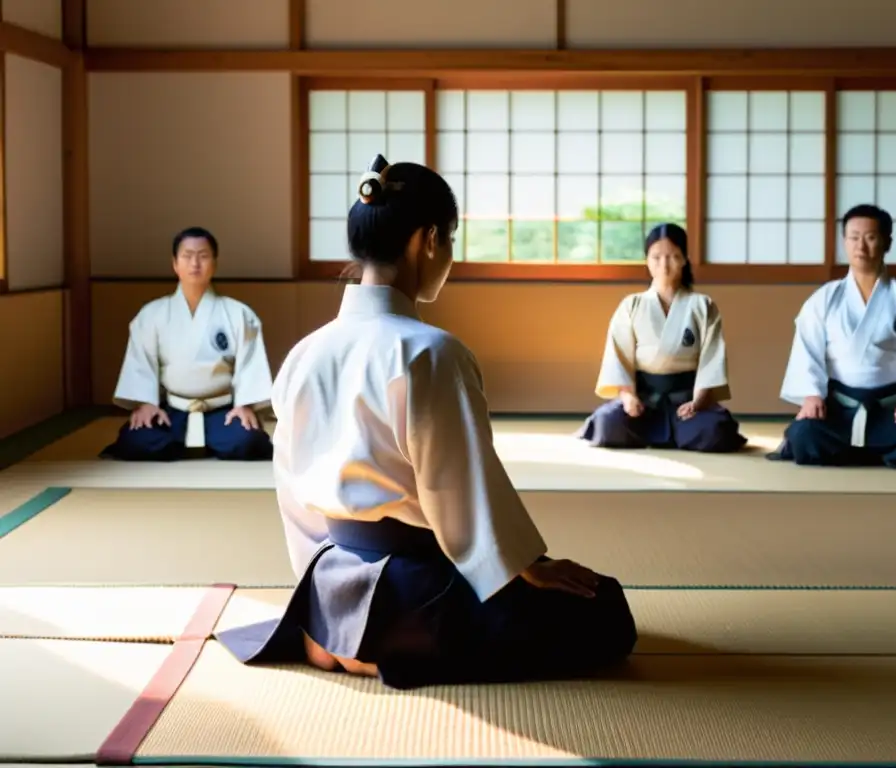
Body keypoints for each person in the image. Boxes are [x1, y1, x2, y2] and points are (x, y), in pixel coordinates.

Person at [215, 155, 637, 690]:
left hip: (330, 573)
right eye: (451, 240)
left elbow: (293, 492)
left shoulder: (304, 353)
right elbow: (458, 489)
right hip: (415, 590)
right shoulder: (432, 352)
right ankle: (387, 643)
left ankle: (331, 631)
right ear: (429, 239)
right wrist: (525, 565)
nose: (449, 256)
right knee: (605, 612)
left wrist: (313, 579)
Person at [768, 204, 896, 470]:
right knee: (805, 436)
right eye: (854, 237)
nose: (861, 246)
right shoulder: (825, 298)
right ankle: (878, 454)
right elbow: (807, 351)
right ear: (844, 242)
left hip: (892, 411)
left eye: (870, 237)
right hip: (839, 410)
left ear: (887, 242)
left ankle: (853, 453)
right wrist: (811, 395)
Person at [100, 227, 274, 462]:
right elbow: (140, 364)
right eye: (187, 256)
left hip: (222, 410)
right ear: (175, 264)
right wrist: (145, 402)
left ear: (214, 263)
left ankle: (200, 442)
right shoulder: (152, 314)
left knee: (248, 441)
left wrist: (245, 404)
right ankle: (196, 443)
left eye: (203, 256)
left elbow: (250, 366)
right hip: (172, 410)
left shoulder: (238, 313)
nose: (195, 263)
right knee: (136, 440)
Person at [577, 223, 747, 453]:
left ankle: (685, 426)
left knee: (715, 431)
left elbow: (711, 362)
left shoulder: (702, 305)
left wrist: (697, 402)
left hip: (687, 402)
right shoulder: (632, 305)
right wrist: (628, 398)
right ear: (647, 260)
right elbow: (619, 359)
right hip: (644, 402)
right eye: (656, 257)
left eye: (673, 256)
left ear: (685, 259)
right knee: (609, 425)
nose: (664, 264)